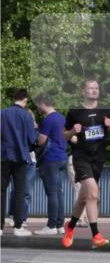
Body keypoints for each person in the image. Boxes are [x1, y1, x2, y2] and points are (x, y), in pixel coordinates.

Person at [61, 80, 110, 249]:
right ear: (83, 91)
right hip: (81, 158)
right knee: (93, 193)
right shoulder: (75, 112)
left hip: (98, 159)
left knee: (83, 198)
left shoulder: (107, 111)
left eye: (96, 88)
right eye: (90, 88)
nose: (94, 91)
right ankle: (95, 235)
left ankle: (70, 226)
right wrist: (73, 131)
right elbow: (64, 135)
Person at [1, 89, 37, 236]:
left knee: (1, 191)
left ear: (13, 98)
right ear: (25, 99)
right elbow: (31, 139)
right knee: (20, 191)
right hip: (21, 157)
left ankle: (0, 228)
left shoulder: (2, 113)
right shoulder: (26, 115)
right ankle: (18, 226)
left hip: (3, 156)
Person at [34, 95, 68, 236]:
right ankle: (60, 224)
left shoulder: (48, 120)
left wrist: (35, 132)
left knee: (52, 193)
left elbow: (41, 141)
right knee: (58, 192)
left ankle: (51, 225)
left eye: (37, 105)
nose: (37, 108)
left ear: (43, 103)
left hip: (51, 158)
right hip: (62, 157)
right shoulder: (61, 117)